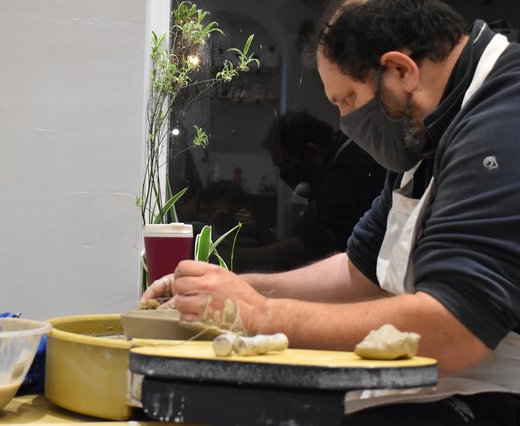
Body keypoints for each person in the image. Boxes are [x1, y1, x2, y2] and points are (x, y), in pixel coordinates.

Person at [142, 0, 520, 423]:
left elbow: (456, 329)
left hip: (498, 391)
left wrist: (258, 314)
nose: (344, 121)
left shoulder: (502, 122)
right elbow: (358, 271)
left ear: (400, 70)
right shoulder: (428, 129)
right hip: (451, 377)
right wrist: (230, 287)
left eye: (347, 99)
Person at [233, 111, 386, 271]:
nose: (284, 175)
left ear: (312, 153)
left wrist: (237, 257)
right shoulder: (343, 150)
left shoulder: (346, 170)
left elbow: (307, 245)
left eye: (286, 163)